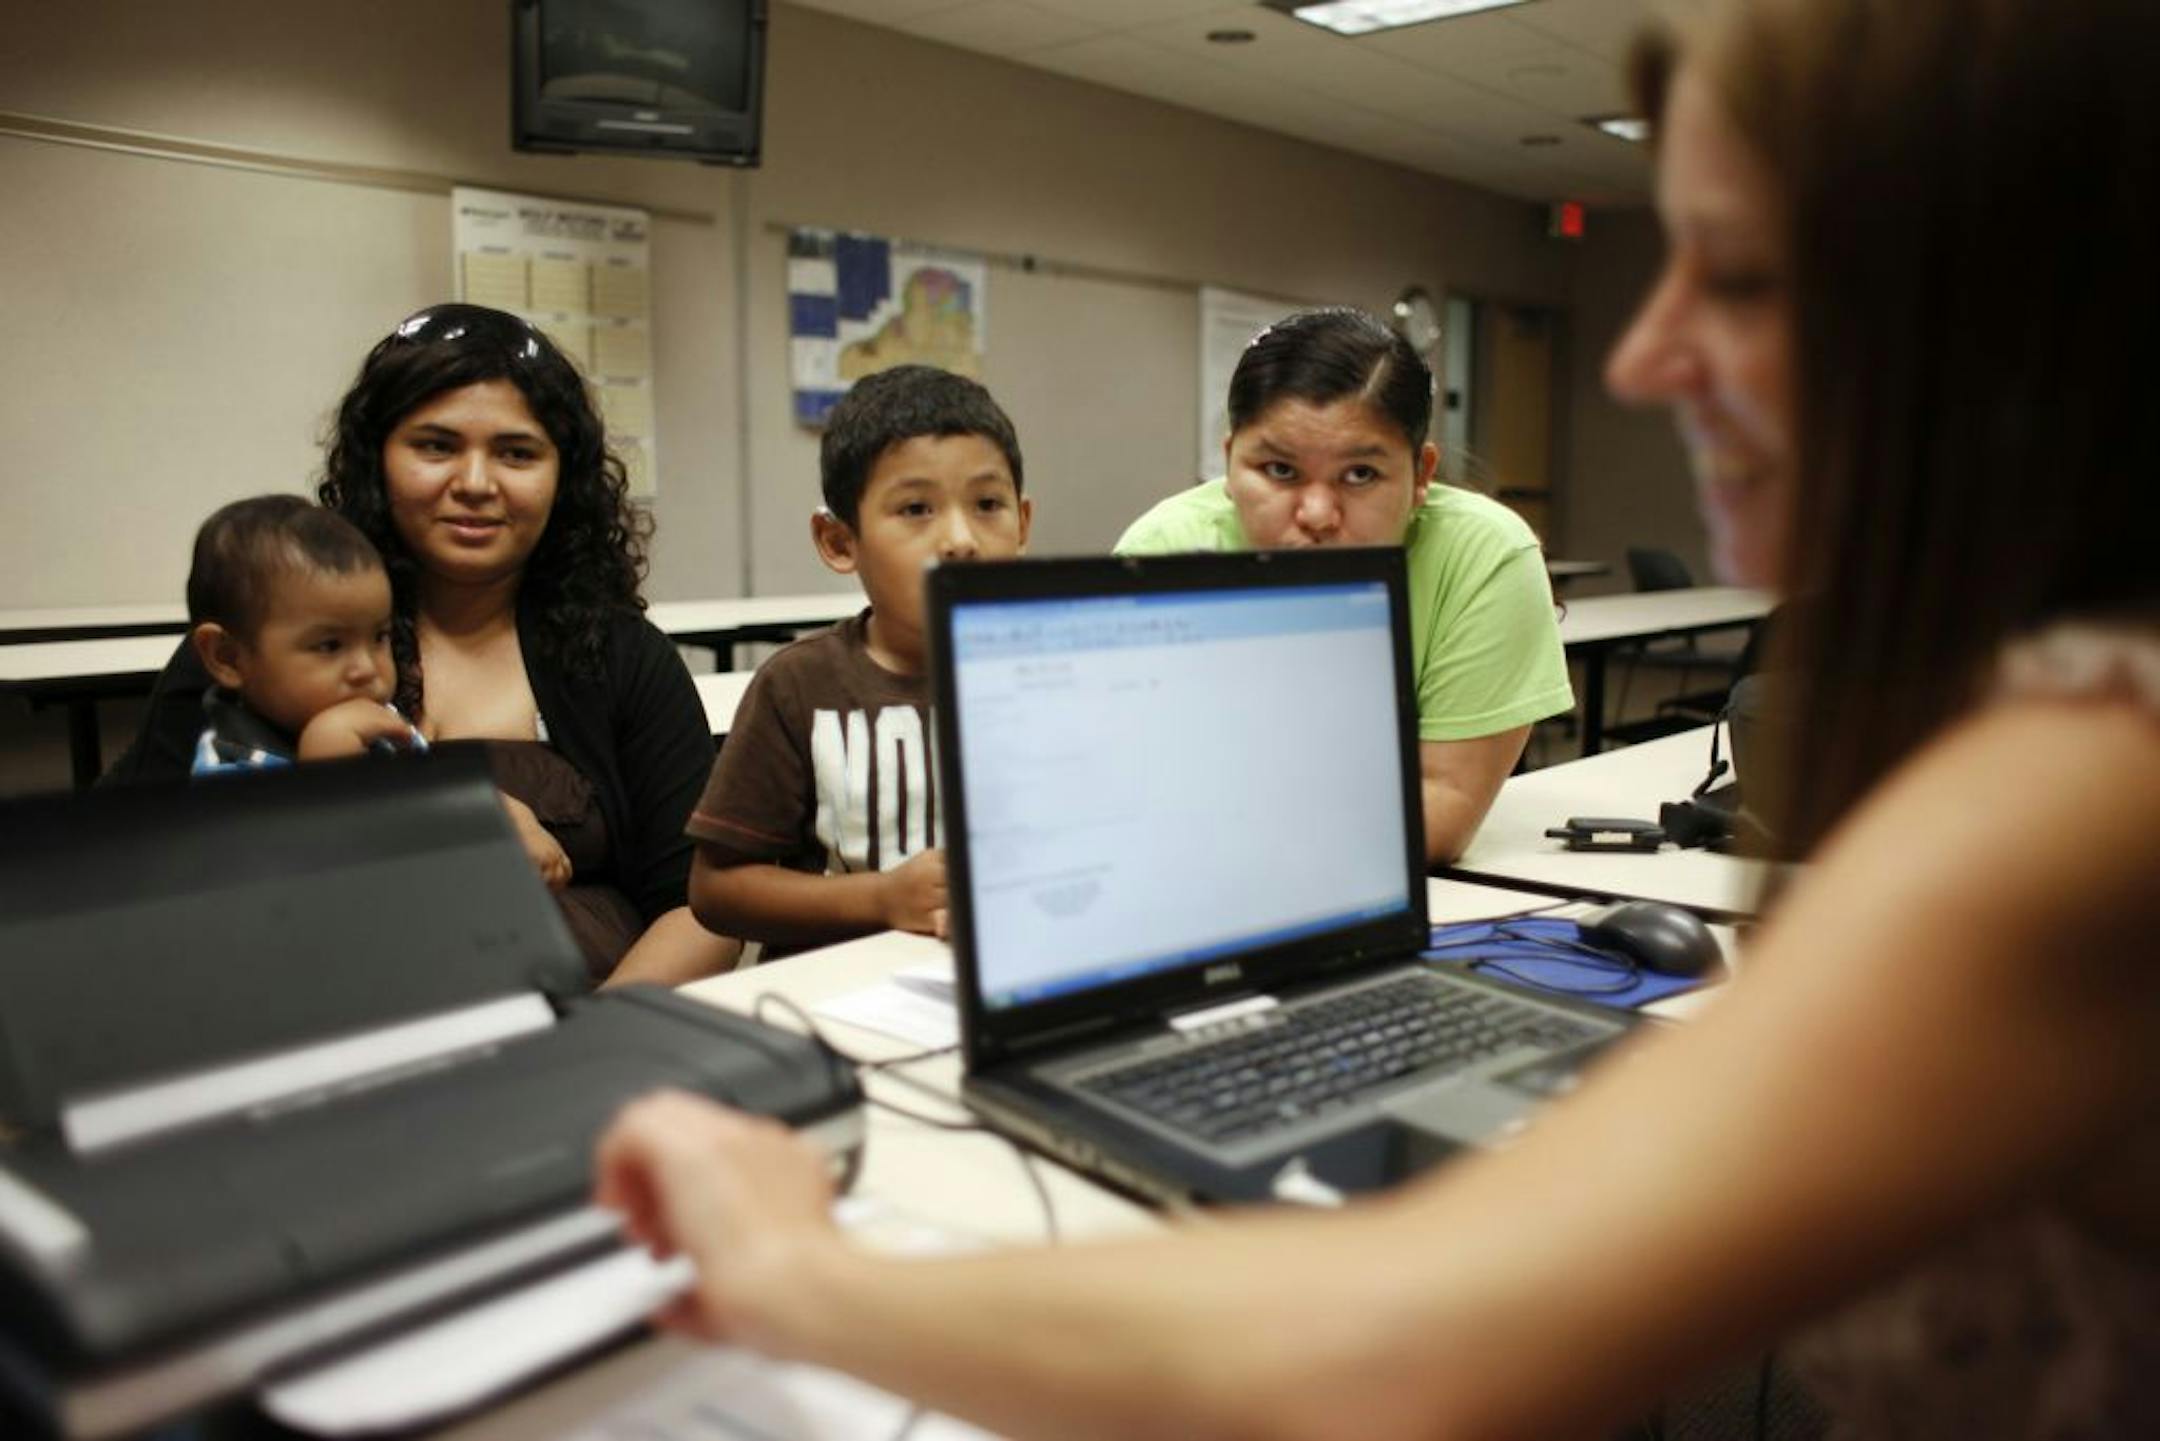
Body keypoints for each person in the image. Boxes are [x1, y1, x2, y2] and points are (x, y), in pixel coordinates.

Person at [590, 0, 2159, 1435]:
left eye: (1741, 275)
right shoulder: (2045, 736)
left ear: (2014, 317)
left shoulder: (2078, 803)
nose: (1642, 351)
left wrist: (801, 1272)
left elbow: (1403, 1351)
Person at [113, 305, 735, 989]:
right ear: (378, 459)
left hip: (593, 1029)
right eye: (436, 446)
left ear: (565, 478)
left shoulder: (622, 656)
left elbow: (699, 905)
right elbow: (139, 879)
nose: (474, 483)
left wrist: (596, 1041)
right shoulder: (259, 648)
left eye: (517, 452)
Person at [1114, 308, 1573, 863]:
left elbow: (1440, 812)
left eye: (1360, 475)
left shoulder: (1483, 555)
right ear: (1230, 460)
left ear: (1421, 475)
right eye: (1279, 471)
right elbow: (1127, 791)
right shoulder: (1166, 551)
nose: (1316, 513)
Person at [685, 365, 1031, 958]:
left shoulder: (1051, 676)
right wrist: (882, 898)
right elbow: (716, 891)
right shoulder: (799, 686)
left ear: (1023, 523)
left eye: (988, 503)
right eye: (917, 508)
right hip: (837, 995)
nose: (960, 539)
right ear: (840, 542)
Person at [182, 494, 425, 773]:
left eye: (380, 637)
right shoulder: (225, 776)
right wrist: (328, 761)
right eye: (330, 645)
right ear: (228, 658)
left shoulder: (383, 719)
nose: (368, 669)